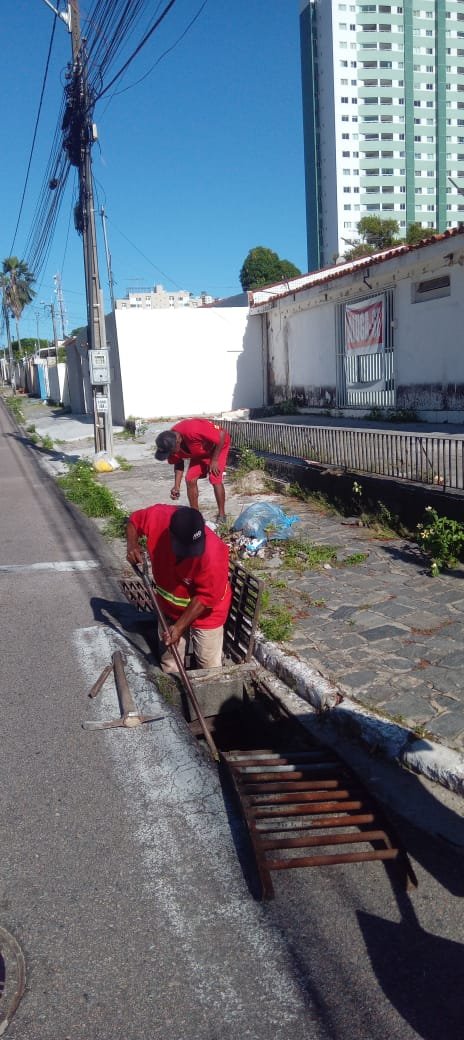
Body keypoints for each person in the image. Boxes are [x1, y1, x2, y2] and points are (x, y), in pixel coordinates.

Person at [126, 504, 232, 675]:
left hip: (207, 614)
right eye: (184, 550)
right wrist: (132, 545)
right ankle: (173, 696)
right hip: (168, 608)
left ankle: (208, 694)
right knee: (170, 662)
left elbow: (206, 597)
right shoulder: (158, 518)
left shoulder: (214, 554)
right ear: (170, 535)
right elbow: (133, 521)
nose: (190, 555)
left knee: (209, 666)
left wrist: (180, 626)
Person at [155, 418, 231, 522]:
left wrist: (214, 459)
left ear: (178, 441)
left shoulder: (192, 429)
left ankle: (222, 516)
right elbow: (178, 462)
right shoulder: (170, 442)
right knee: (190, 479)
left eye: (170, 452)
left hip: (218, 446)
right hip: (200, 452)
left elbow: (221, 435)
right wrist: (176, 487)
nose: (170, 455)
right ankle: (196, 516)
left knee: (215, 477)